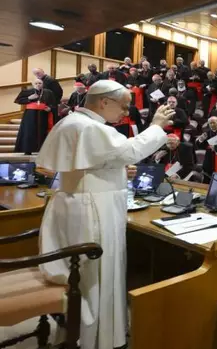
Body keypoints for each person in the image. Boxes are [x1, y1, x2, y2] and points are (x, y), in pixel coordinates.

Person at [37, 80, 174, 349]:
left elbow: (93, 164)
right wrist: (156, 126)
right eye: (123, 106)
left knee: (92, 277)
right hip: (93, 211)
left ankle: (91, 333)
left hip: (79, 204)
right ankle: (97, 340)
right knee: (96, 277)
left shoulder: (72, 121)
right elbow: (131, 150)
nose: (125, 112)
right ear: (104, 102)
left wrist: (119, 169)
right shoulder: (90, 127)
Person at [14, 78, 57, 154]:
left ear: (43, 84)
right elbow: (18, 100)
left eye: (40, 83)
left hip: (43, 114)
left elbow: (53, 104)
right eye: (36, 83)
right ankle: (28, 150)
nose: (38, 85)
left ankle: (41, 150)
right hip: (30, 115)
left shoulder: (48, 92)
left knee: (42, 131)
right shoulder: (27, 91)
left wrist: (50, 108)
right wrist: (29, 98)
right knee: (29, 131)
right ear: (33, 84)